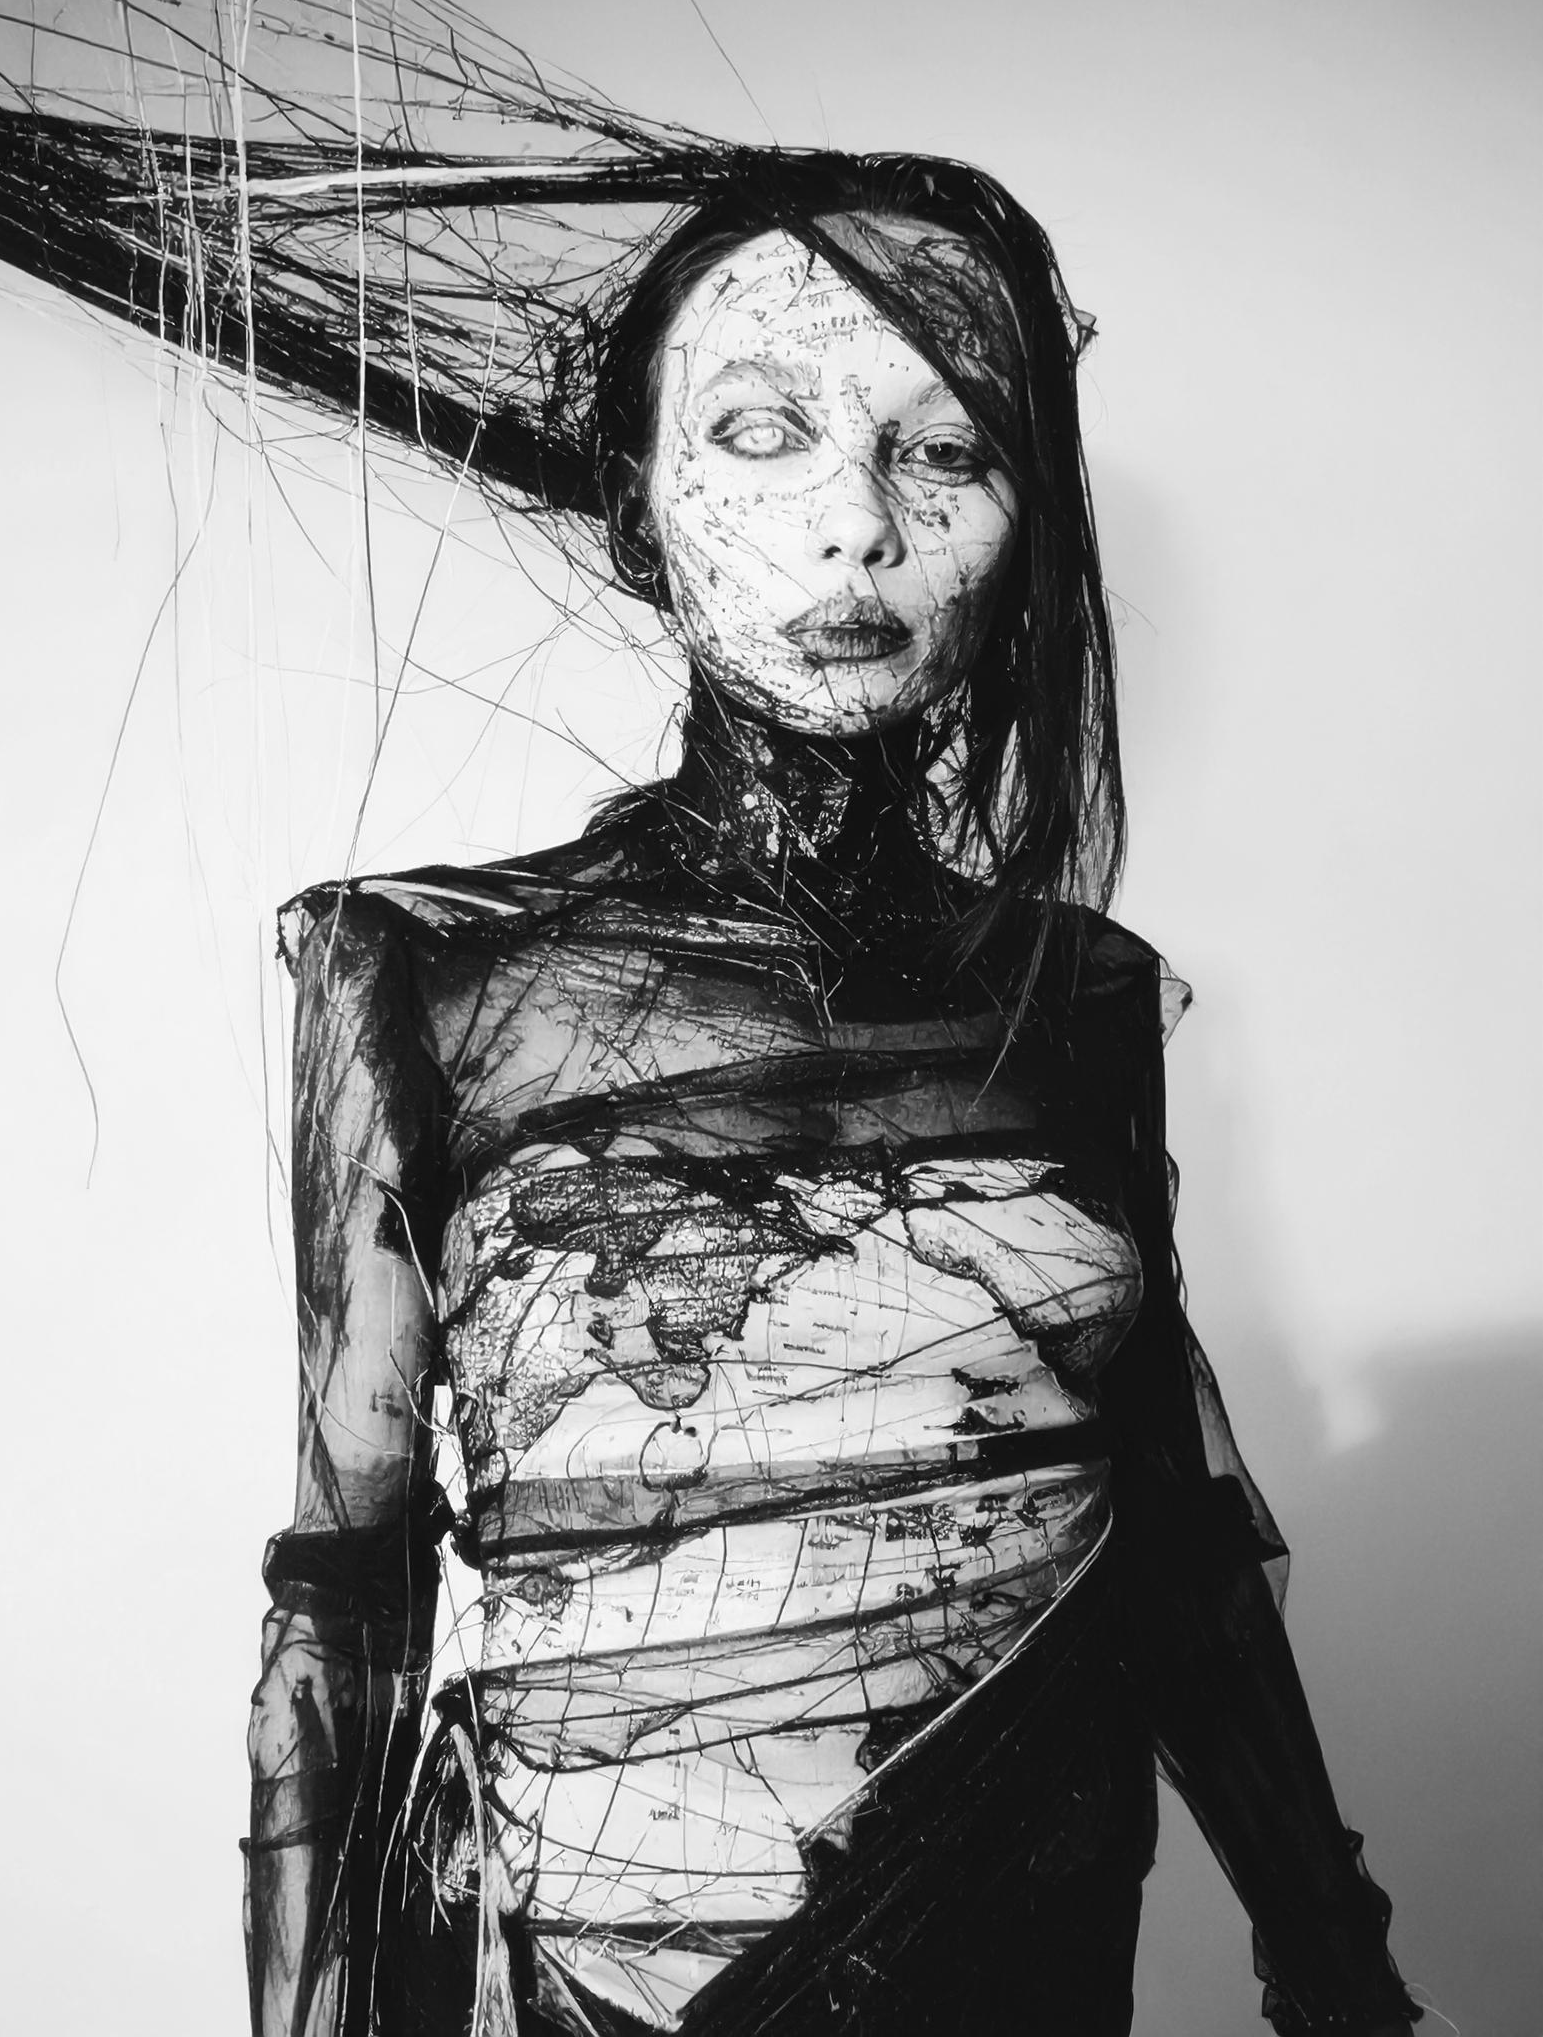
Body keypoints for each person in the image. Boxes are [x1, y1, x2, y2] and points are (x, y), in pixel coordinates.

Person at [239, 154, 1422, 2037]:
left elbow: (1175, 1528)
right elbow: (345, 1586)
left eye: (945, 453)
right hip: (627, 1965)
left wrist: (1335, 1966)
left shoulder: (1075, 997)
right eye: (761, 433)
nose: (855, 528)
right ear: (633, 506)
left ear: (1027, 524)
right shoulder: (428, 977)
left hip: (1032, 1920)